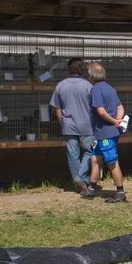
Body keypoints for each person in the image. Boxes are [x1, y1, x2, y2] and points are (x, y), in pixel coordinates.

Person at [49, 57, 94, 196]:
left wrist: (62, 121)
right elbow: (94, 107)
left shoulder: (60, 85)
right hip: (86, 125)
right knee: (90, 151)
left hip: (68, 124)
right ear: (82, 69)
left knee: (72, 154)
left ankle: (78, 182)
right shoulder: (88, 86)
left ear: (69, 69)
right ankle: (81, 178)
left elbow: (57, 108)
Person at [86, 62, 127, 202]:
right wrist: (118, 119)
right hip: (105, 133)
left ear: (92, 77)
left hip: (105, 133)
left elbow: (101, 111)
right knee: (95, 159)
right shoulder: (110, 88)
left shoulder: (96, 89)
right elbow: (120, 107)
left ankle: (120, 192)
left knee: (111, 162)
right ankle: (91, 189)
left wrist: (113, 121)